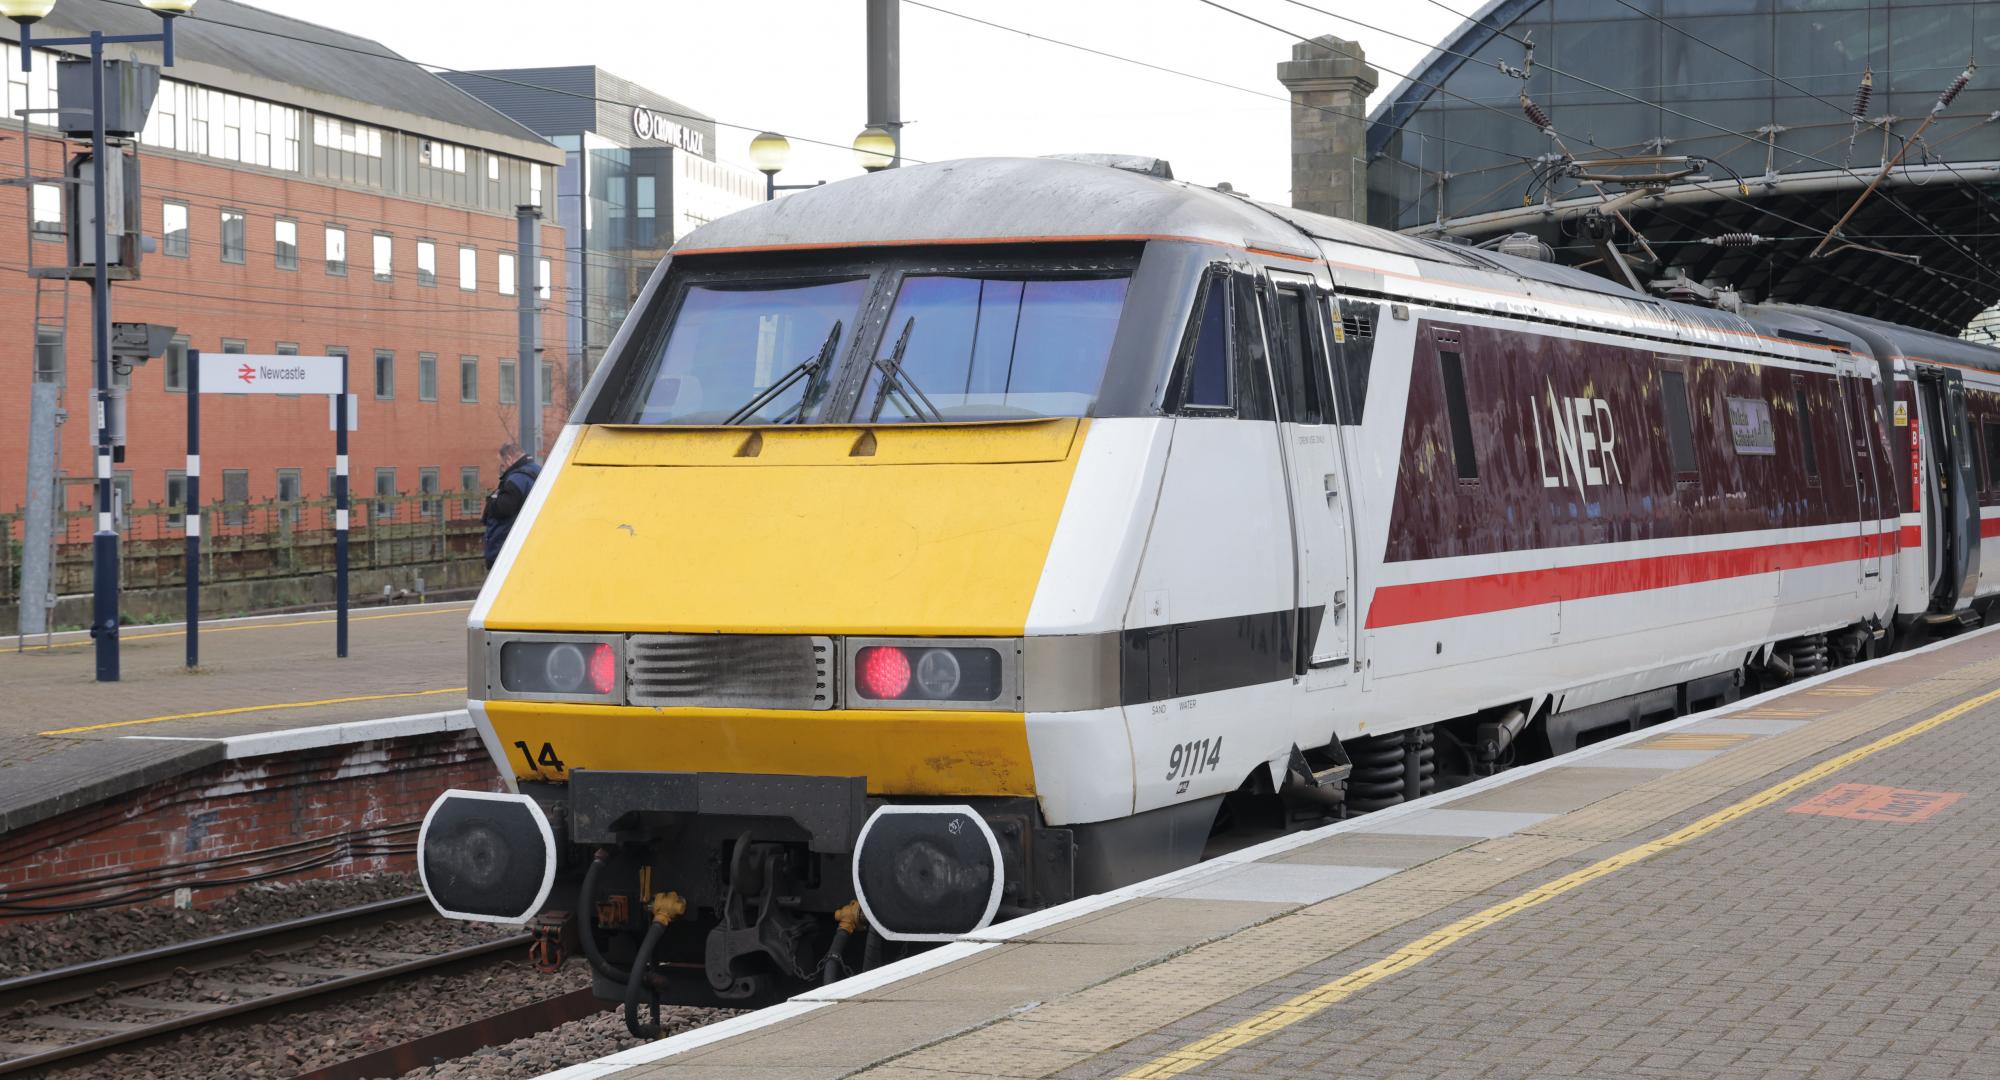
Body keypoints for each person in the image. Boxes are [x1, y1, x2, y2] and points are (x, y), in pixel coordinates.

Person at [482, 442, 541, 568]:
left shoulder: (516, 479)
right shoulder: (539, 471)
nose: (502, 469)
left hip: (506, 550)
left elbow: (502, 509)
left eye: (502, 465)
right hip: (530, 545)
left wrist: (492, 500)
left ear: (509, 459)